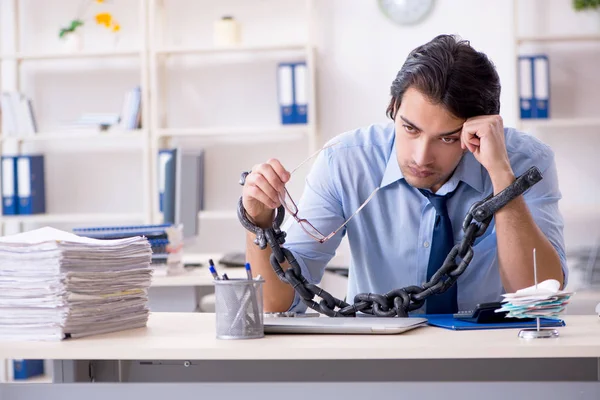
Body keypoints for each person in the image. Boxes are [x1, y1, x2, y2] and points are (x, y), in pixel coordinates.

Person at [240, 34, 567, 315]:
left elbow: (539, 299)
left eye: (447, 138)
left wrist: (501, 178)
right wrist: (258, 220)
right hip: (379, 364)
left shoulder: (525, 163)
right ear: (393, 107)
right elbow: (278, 303)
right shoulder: (346, 162)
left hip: (495, 359)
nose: (421, 157)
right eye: (410, 128)